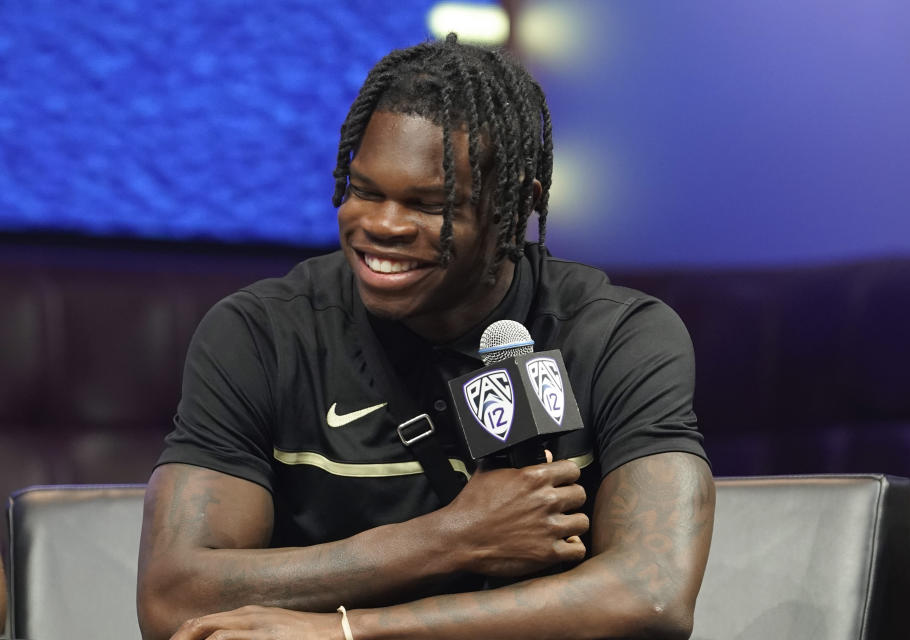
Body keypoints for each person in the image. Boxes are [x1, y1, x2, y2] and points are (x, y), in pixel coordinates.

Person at [137, 33, 715, 640]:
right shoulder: (260, 335)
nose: (381, 225)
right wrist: (450, 539)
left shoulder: (619, 336)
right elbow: (173, 599)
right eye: (364, 191)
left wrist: (346, 634)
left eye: (429, 204)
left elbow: (653, 594)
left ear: (516, 207)